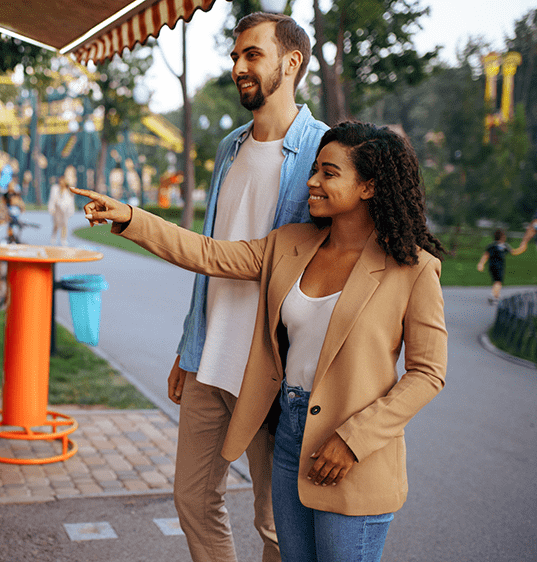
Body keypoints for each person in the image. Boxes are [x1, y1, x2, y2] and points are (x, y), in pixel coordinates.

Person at [73, 120, 448, 562]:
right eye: (314, 169)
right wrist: (133, 218)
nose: (311, 181)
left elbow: (428, 373)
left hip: (354, 452)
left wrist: (354, 440)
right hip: (289, 435)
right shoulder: (290, 244)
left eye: (329, 173)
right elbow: (208, 253)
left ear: (368, 187)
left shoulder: (414, 268)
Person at [163, 12, 328, 562]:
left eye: (251, 55)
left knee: (276, 523)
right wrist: (189, 348)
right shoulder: (230, 148)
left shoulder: (324, 155)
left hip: (274, 371)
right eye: (235, 56)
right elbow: (212, 253)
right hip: (211, 358)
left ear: (291, 62)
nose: (238, 67)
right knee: (191, 497)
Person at [476, 229, 528, 303]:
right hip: (499, 266)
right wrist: (522, 249)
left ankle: (496, 297)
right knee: (498, 282)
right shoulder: (504, 246)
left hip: (491, 266)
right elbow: (514, 252)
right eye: (504, 236)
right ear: (502, 237)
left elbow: (486, 255)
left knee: (496, 281)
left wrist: (481, 264)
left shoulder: (491, 245)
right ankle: (493, 295)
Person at [48, 177, 76, 245]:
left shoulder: (68, 191)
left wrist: (71, 211)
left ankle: (63, 239)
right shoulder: (55, 188)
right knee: (56, 224)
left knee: (64, 224)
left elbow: (71, 202)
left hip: (65, 210)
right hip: (57, 209)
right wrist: (51, 209)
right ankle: (53, 237)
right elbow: (52, 199)